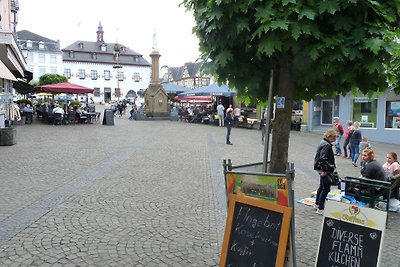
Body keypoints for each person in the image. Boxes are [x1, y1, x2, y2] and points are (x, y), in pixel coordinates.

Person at [313, 129, 338, 215]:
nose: (335, 139)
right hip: (324, 169)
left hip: (320, 168)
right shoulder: (327, 145)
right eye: (334, 137)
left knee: (322, 186)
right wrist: (324, 170)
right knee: (326, 188)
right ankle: (321, 208)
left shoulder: (323, 142)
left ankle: (317, 204)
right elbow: (323, 159)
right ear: (330, 136)